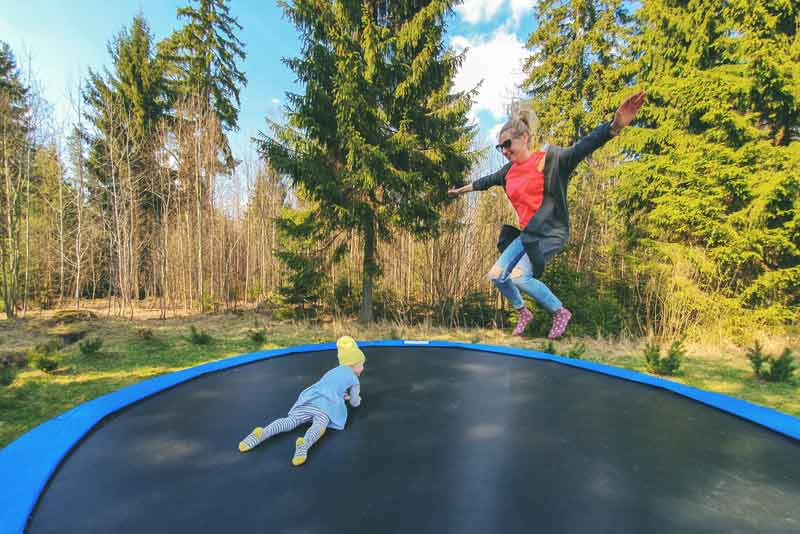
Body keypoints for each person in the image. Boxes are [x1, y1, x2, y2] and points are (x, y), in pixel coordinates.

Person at [449, 92, 646, 338]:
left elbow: (582, 147)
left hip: (550, 232)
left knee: (520, 276)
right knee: (497, 276)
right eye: (500, 147)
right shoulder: (507, 172)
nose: (504, 151)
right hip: (528, 234)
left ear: (524, 138)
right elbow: (484, 182)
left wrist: (614, 126)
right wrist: (460, 191)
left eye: (507, 144)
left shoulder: (551, 160)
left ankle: (559, 311)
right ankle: (523, 312)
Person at [238, 335, 365, 466]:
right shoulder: (354, 380)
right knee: (319, 426)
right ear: (354, 364)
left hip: (311, 399)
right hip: (326, 407)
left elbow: (331, 386)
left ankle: (263, 432)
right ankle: (304, 444)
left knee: (291, 421)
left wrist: (342, 394)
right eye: (361, 365)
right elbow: (354, 402)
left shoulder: (333, 371)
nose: (362, 368)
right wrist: (356, 400)